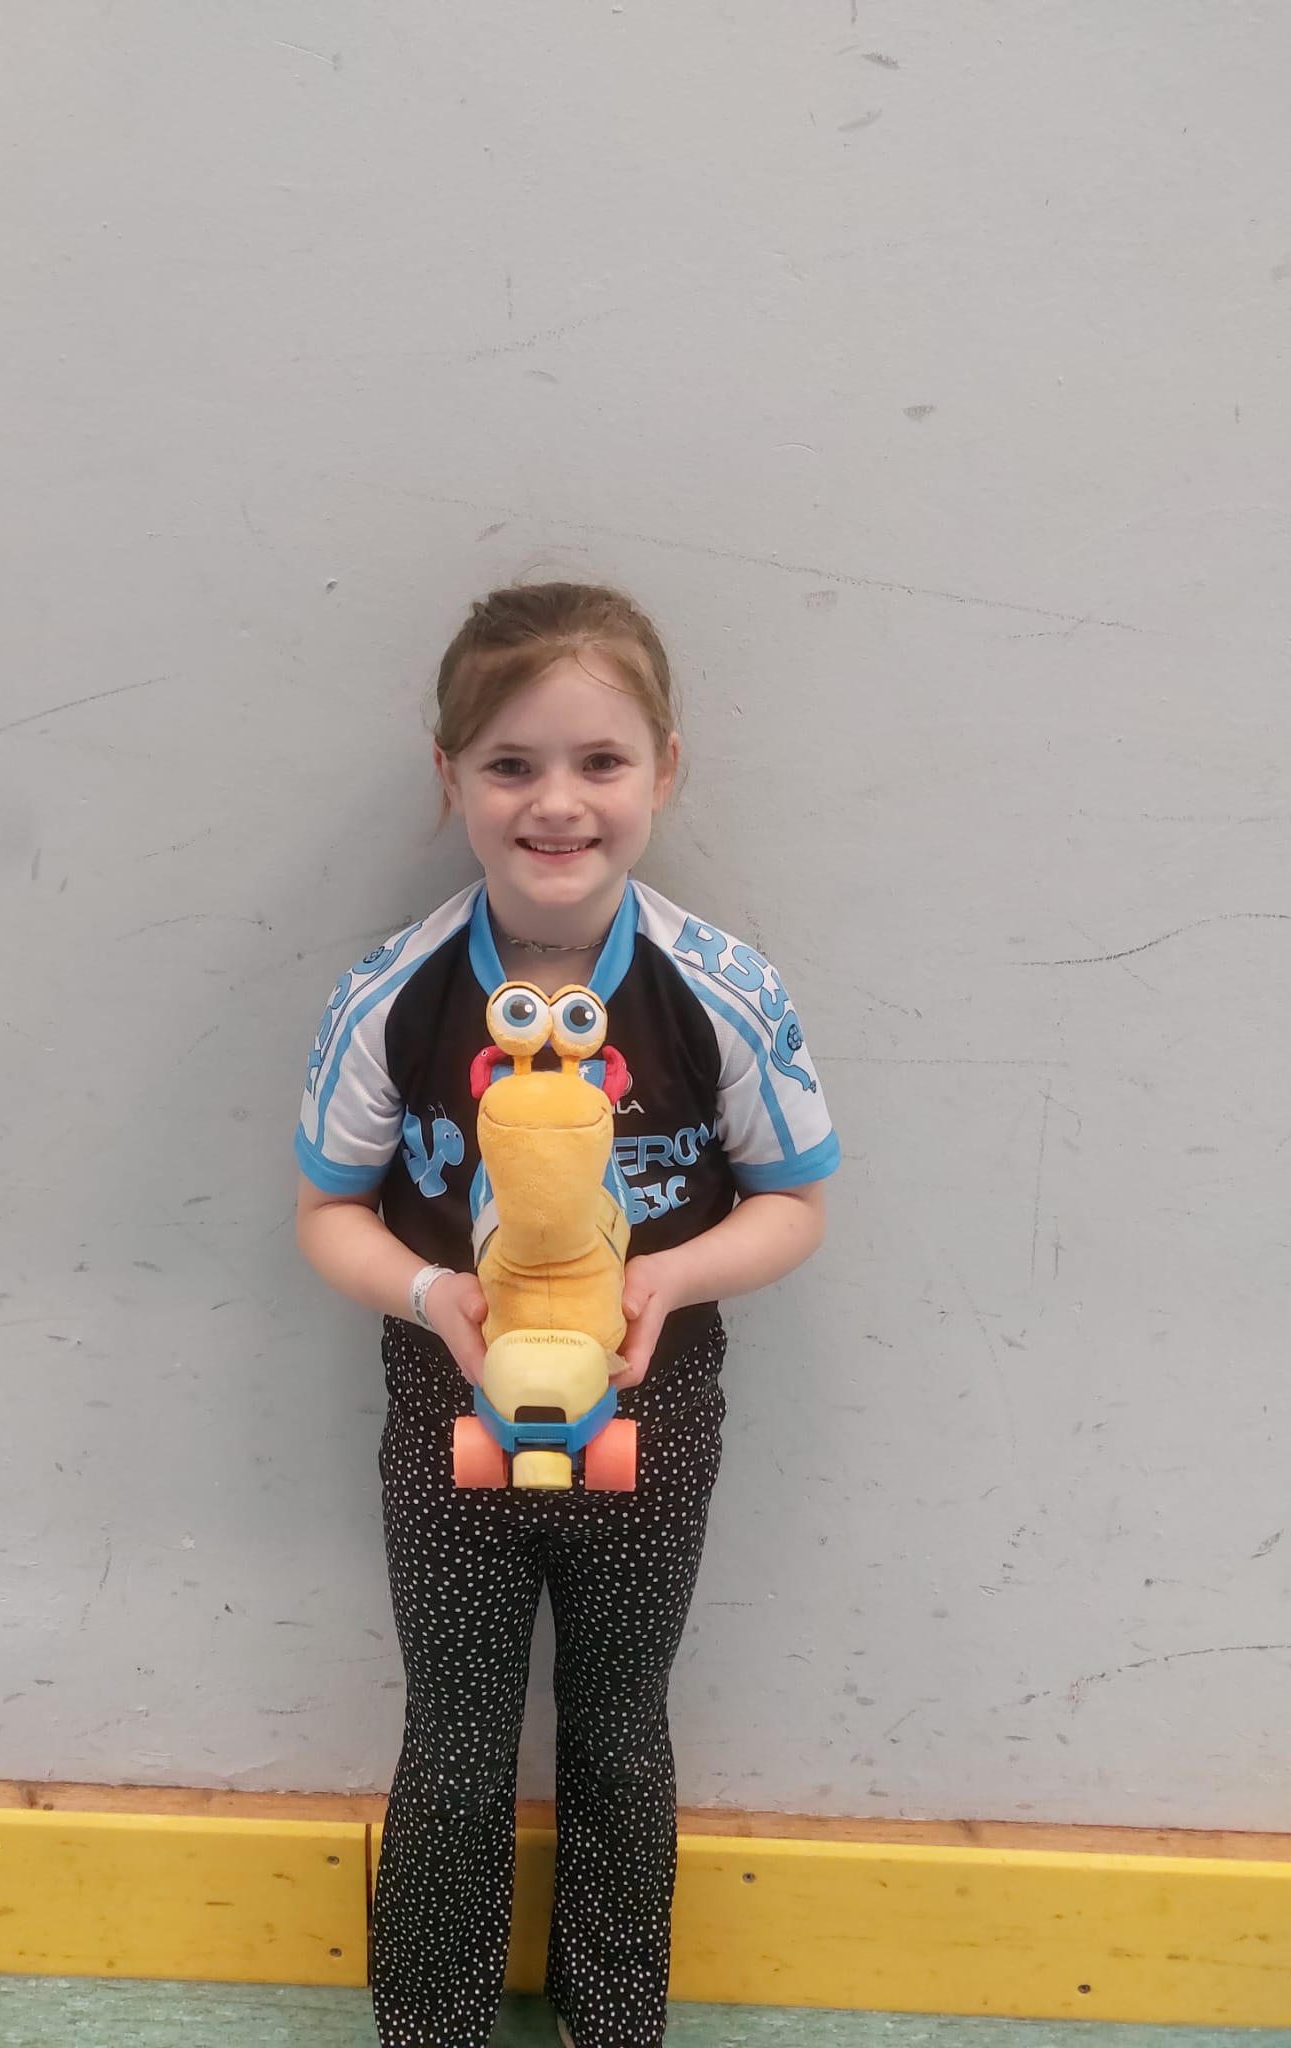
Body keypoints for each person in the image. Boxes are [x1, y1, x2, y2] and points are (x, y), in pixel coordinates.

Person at [295, 582, 839, 2048]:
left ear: (666, 769)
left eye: (600, 761)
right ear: (449, 777)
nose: (556, 803)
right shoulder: (392, 995)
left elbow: (795, 1204)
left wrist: (670, 1277)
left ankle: (616, 2025)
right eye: (510, 764)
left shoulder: (721, 990)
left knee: (621, 1737)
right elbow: (327, 1214)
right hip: (448, 1420)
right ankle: (432, 2028)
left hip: (655, 1417)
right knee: (456, 1746)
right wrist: (432, 1296)